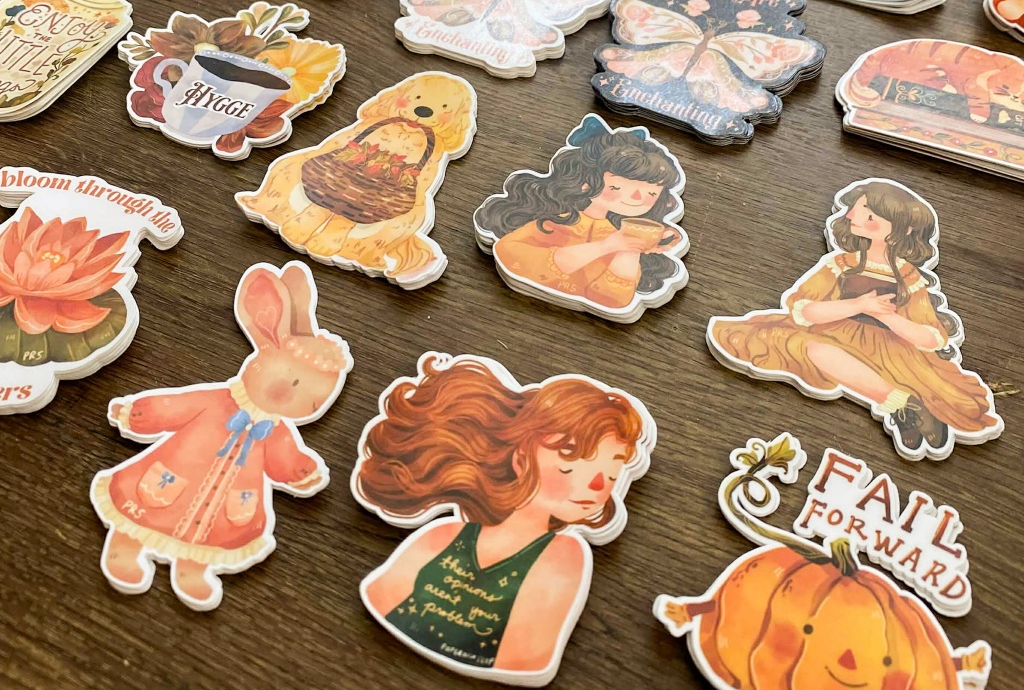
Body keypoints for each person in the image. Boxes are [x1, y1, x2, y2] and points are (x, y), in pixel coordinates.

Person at [355, 354, 653, 683]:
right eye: (571, 462)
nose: (597, 486)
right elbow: (379, 598)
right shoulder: (445, 535)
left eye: (610, 472)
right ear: (521, 458)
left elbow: (525, 661)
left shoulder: (564, 557)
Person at [709, 180, 1001, 456]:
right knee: (806, 347)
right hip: (828, 334)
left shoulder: (909, 277)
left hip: (892, 351)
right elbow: (804, 311)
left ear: (904, 229)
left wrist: (885, 316)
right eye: (856, 211)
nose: (852, 217)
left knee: (953, 400)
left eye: (869, 215)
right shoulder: (841, 264)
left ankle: (911, 407)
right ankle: (902, 404)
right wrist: (859, 304)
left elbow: (930, 337)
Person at [474, 116, 686, 314]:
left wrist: (630, 248)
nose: (636, 198)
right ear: (586, 183)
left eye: (651, 194)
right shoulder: (556, 221)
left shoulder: (615, 234)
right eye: (617, 187)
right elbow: (510, 253)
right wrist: (604, 247)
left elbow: (613, 300)